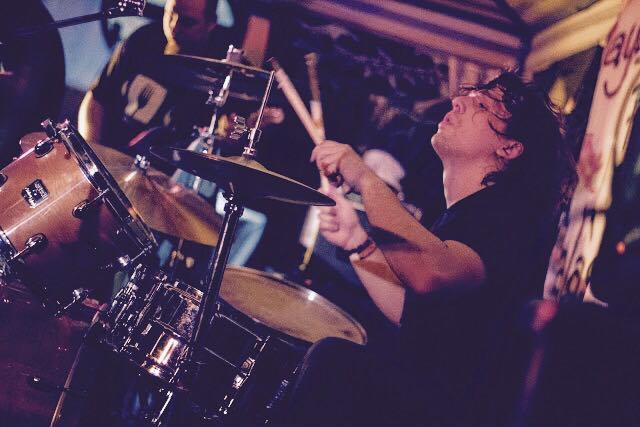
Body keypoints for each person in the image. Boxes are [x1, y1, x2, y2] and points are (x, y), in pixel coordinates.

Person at [278, 71, 576, 427]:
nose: (458, 101)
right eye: (466, 97)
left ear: (509, 148)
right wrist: (357, 241)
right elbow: (414, 312)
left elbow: (431, 274)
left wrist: (365, 178)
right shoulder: (463, 215)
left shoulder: (508, 216)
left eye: (482, 105)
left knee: (334, 362)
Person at [78, 0, 267, 273]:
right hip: (114, 168)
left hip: (169, 190)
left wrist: (238, 130)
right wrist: (92, 155)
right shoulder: (144, 39)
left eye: (188, 21)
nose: (175, 26)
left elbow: (237, 132)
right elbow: (96, 100)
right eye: (171, 14)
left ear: (211, 24)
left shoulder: (228, 73)